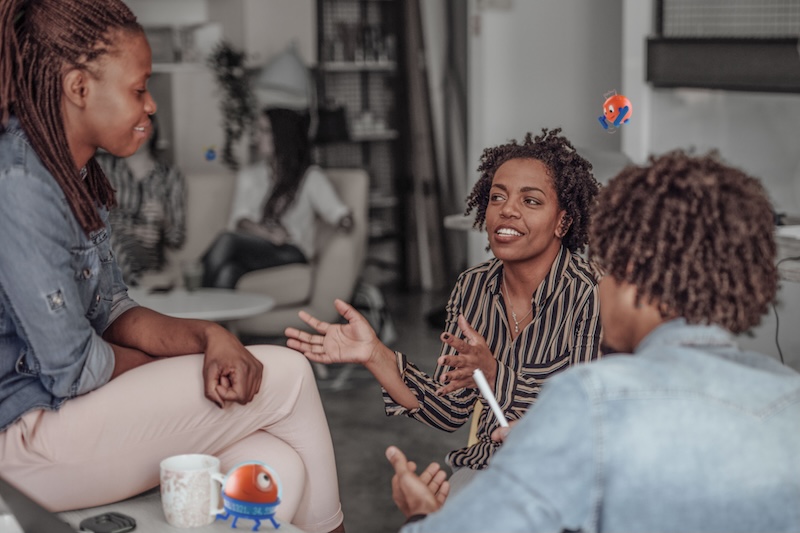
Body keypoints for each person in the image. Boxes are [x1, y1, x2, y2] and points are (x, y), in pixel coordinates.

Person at [0, 2, 344, 532]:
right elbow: (73, 367)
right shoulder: (21, 185)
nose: (151, 105)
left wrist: (210, 337)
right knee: (291, 375)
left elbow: (113, 309)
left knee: (277, 465)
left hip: (65, 418)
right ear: (78, 87)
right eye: (139, 89)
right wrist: (173, 366)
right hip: (24, 437)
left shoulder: (76, 178)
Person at [386, 151, 800, 533]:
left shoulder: (592, 400)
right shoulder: (790, 396)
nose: (599, 283)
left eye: (607, 268)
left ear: (631, 276)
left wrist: (422, 513)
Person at [286, 128, 603, 490]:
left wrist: (494, 375)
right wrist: (375, 355)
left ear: (563, 221)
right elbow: (449, 409)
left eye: (530, 201)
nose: (507, 210)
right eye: (497, 197)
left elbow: (588, 414)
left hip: (567, 475)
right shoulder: (472, 287)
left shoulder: (590, 292)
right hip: (488, 469)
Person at [201, 107, 353, 289]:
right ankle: (203, 305)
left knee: (227, 240)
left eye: (264, 131)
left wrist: (344, 223)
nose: (256, 137)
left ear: (283, 136)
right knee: (228, 272)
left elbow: (337, 213)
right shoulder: (249, 176)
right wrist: (267, 234)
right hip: (258, 246)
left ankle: (192, 290)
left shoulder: (309, 177)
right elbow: (239, 220)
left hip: (292, 251)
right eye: (257, 130)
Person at [95, 115, 187, 286]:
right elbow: (91, 216)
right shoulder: (104, 167)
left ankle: (126, 291)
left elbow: (177, 239)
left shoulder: (170, 176)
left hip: (147, 251)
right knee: (105, 239)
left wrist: (164, 220)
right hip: (110, 240)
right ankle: (133, 288)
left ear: (152, 131)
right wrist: (133, 230)